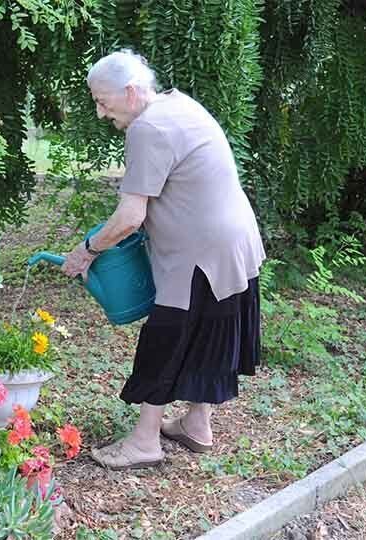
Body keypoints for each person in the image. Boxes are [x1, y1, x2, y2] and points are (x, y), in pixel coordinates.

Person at [61, 50, 266, 469]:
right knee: (208, 331)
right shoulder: (178, 103)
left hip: (201, 255)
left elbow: (130, 218)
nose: (100, 113)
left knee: (165, 338)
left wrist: (87, 251)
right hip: (235, 242)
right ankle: (196, 424)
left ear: (131, 92)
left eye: (103, 101)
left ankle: (144, 442)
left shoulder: (147, 128)